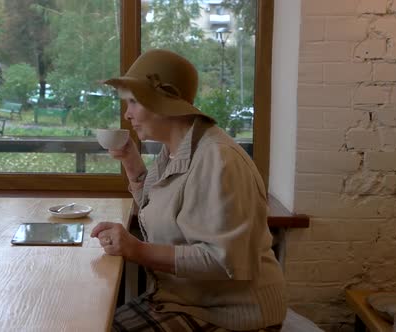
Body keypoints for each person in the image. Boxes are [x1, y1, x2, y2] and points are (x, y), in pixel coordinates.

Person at [90, 49, 287, 332]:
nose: (127, 113)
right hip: (180, 300)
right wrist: (132, 163)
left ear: (162, 102)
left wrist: (137, 250)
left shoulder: (218, 159)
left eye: (133, 101)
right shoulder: (176, 150)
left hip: (233, 315)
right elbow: (158, 208)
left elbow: (224, 260)